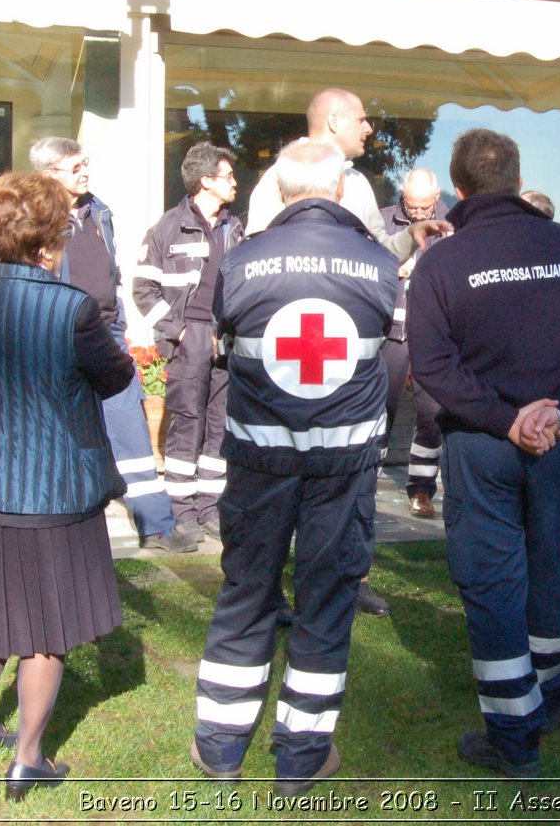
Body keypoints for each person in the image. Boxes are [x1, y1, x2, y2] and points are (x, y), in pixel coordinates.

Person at [408, 129, 560, 778]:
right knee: (552, 565)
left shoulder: (442, 264)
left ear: (462, 187)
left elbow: (434, 367)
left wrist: (508, 421)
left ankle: (514, 735)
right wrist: (557, 408)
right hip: (556, 442)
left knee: (494, 581)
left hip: (481, 446)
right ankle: (553, 695)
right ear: (513, 178)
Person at [191, 139, 397, 796]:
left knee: (246, 591)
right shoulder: (377, 259)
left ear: (279, 191)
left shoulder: (242, 258)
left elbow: (224, 336)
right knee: (327, 598)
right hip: (344, 465)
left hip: (259, 458)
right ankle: (302, 756)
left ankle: (221, 748)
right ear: (340, 190)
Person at [0, 172, 134, 801]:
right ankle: (28, 757)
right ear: (52, 238)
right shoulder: (71, 306)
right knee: (47, 629)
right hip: (53, 487)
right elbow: (114, 378)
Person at [244, 88, 449, 618]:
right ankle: (269, 592)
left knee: (351, 471)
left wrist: (412, 237)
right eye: (360, 120)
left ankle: (347, 578)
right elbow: (255, 263)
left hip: (349, 361)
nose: (368, 130)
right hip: (292, 360)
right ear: (333, 120)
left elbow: (379, 256)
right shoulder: (278, 178)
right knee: (285, 477)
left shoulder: (355, 182)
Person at [32, 137, 186, 552]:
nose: (85, 172)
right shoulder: (36, 216)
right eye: (75, 167)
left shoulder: (99, 212)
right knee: (60, 436)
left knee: (131, 429)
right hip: (59, 337)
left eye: (86, 164)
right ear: (49, 175)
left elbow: (111, 274)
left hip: (106, 335)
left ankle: (157, 526)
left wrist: (118, 324)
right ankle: (61, 532)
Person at [134, 143, 245, 542]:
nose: (235, 182)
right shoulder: (167, 227)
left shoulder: (236, 229)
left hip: (225, 340)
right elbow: (143, 290)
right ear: (206, 181)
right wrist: (177, 331)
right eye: (228, 176)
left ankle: (210, 508)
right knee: (187, 423)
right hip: (189, 339)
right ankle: (182, 511)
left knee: (220, 426)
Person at [379, 168, 448, 519]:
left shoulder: (453, 227)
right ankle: (365, 481)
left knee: (432, 416)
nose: (420, 214)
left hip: (434, 338)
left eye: (426, 207)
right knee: (378, 411)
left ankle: (421, 491)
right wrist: (391, 268)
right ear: (402, 196)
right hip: (390, 333)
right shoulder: (381, 221)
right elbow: (365, 266)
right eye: (412, 206)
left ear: (437, 198)